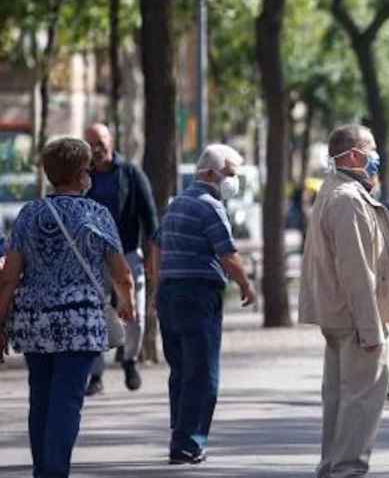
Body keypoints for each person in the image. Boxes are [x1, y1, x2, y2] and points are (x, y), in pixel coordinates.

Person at [0, 136, 136, 478]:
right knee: (67, 401)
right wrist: (127, 303)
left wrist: (1, 321)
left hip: (34, 324)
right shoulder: (96, 215)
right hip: (79, 323)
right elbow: (122, 273)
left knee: (41, 400)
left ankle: (42, 470)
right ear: (79, 174)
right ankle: (54, 471)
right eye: (87, 169)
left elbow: (9, 277)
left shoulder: (29, 215)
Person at [299, 125, 389, 478]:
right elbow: (356, 270)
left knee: (339, 399)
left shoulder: (334, 192)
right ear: (352, 155)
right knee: (361, 401)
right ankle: (347, 470)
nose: (377, 157)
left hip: (339, 316)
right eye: (372, 149)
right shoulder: (349, 199)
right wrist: (371, 329)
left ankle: (332, 467)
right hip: (358, 318)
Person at [152, 143, 255, 465]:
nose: (232, 181)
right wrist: (246, 284)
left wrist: (159, 281)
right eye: (230, 174)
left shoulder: (177, 203)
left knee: (181, 370)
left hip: (170, 293)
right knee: (202, 372)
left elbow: (155, 243)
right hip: (197, 295)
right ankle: (188, 443)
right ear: (211, 172)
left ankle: (179, 432)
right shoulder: (210, 205)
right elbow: (227, 253)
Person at [83, 123, 159, 395]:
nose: (97, 148)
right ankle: (95, 375)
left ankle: (129, 360)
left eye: (101, 142)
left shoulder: (130, 173)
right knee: (94, 314)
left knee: (134, 313)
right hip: (92, 257)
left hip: (127, 253)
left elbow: (150, 218)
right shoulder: (82, 176)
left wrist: (152, 256)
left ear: (111, 142)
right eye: (91, 143)